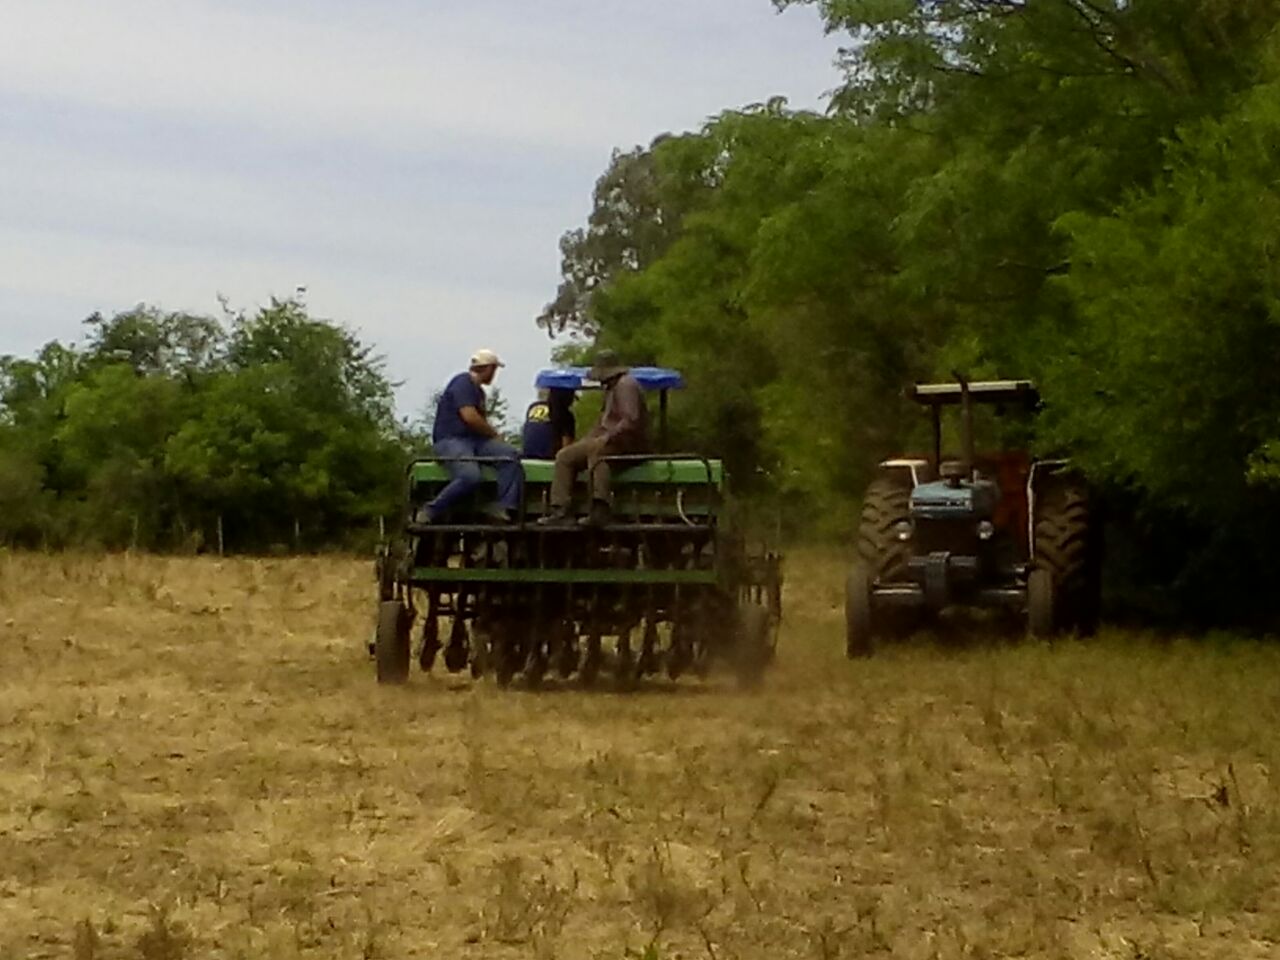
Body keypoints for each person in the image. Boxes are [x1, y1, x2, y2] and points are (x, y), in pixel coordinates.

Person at [539, 350, 649, 527]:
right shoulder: (611, 389)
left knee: (598, 454)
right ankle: (560, 509)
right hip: (611, 440)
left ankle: (600, 507)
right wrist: (587, 440)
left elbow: (631, 420)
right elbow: (602, 423)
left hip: (627, 443)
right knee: (565, 456)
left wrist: (606, 438)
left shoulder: (626, 385)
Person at [419, 349, 522, 524]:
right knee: (470, 476)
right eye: (494, 370)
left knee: (510, 456)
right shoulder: (463, 383)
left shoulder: (478, 392)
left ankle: (504, 507)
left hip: (475, 441)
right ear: (488, 368)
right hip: (451, 440)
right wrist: (495, 435)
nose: (494, 375)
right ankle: (431, 510)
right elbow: (470, 417)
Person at [521, 387, 577, 459]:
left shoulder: (533, 407)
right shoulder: (565, 414)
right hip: (550, 458)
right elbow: (566, 448)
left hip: (527, 455)